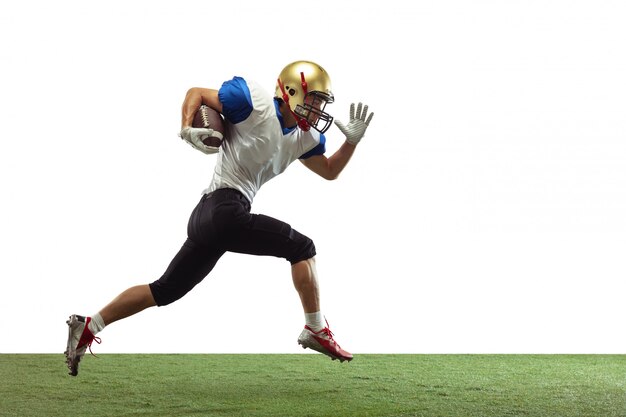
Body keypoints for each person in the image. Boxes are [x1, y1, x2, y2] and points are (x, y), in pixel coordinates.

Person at [64, 60, 374, 376]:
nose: (318, 109)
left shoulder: (304, 139)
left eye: (322, 103)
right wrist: (188, 126)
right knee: (302, 248)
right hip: (225, 210)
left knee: (165, 290)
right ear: (291, 91)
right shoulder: (255, 102)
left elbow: (330, 171)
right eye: (314, 100)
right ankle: (316, 328)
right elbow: (196, 93)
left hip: (211, 217)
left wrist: (351, 142)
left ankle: (88, 326)